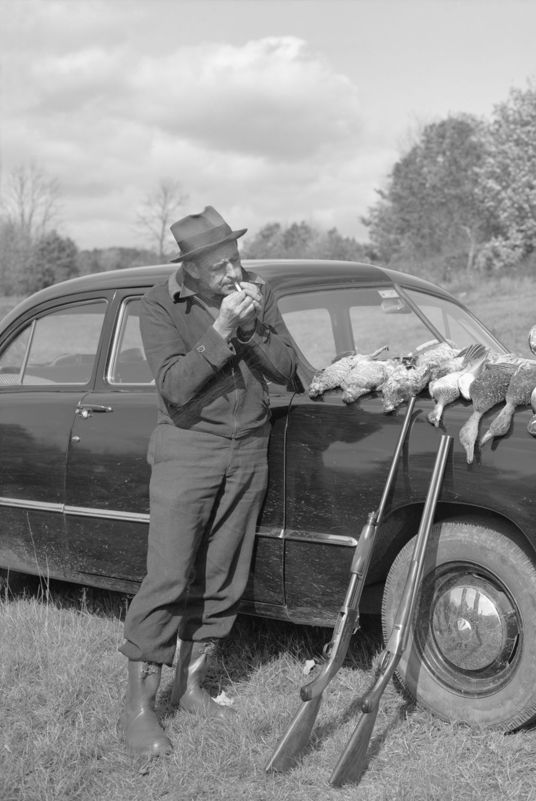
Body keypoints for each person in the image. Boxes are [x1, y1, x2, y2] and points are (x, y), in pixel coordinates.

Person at [117, 206, 300, 756]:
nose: (232, 273)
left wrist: (249, 327)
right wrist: (221, 331)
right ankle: (138, 710)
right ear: (191, 269)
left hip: (249, 449)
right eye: (219, 266)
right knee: (169, 576)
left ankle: (189, 684)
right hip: (187, 447)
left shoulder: (258, 294)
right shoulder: (158, 304)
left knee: (224, 573)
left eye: (235, 259)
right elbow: (174, 387)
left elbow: (289, 369)